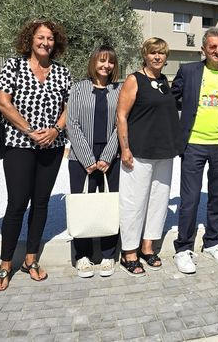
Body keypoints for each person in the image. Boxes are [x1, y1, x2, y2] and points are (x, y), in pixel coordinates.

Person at [0, 19, 71, 291]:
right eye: (40, 37)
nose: (45, 42)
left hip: (53, 145)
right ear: (30, 39)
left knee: (41, 203)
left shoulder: (62, 71)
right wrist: (30, 130)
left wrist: (56, 129)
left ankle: (31, 258)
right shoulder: (13, 66)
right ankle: (5, 264)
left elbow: (69, 106)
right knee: (16, 203)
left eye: (50, 38)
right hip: (18, 144)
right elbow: (3, 102)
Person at [171, 27, 218, 274]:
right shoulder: (188, 71)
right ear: (203, 49)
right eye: (212, 47)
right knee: (190, 199)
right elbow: (170, 100)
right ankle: (183, 248)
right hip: (193, 144)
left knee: (217, 198)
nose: (217, 51)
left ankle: (213, 243)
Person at [116, 37, 181, 276]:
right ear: (145, 55)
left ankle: (147, 246)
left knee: (158, 202)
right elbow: (121, 115)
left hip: (164, 152)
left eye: (161, 53)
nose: (157, 57)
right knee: (135, 202)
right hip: (139, 153)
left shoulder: (164, 81)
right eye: (153, 53)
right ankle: (129, 252)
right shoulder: (135, 80)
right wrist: (125, 148)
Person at [67, 45, 121, 278]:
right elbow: (72, 123)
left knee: (110, 204)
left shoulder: (118, 90)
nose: (105, 66)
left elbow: (122, 124)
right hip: (81, 157)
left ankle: (109, 254)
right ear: (93, 63)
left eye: (110, 62)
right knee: (83, 206)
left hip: (111, 157)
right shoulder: (78, 88)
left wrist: (107, 156)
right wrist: (88, 159)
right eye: (101, 61)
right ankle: (83, 256)